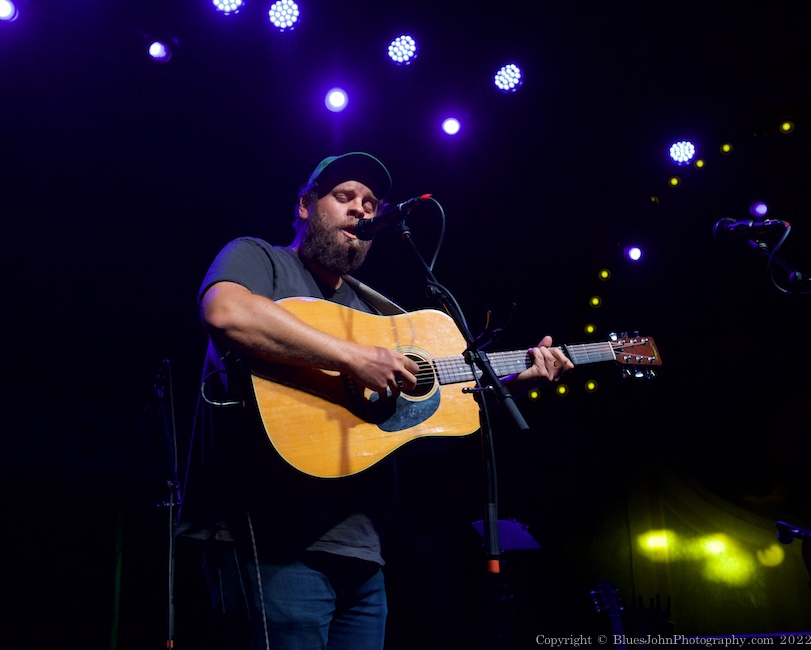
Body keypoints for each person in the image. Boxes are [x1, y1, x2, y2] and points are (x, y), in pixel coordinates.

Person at [177, 151, 574, 650]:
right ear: (305, 206)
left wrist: (507, 384)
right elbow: (226, 312)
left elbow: (420, 429)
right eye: (345, 197)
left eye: (370, 203)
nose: (361, 210)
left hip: (361, 552)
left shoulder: (375, 311)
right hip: (270, 541)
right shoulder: (261, 258)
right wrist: (351, 358)